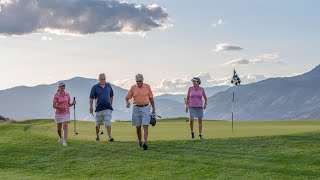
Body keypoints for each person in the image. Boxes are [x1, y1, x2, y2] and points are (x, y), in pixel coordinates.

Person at [125, 74, 156, 150]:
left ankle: (145, 143)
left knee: (145, 125)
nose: (139, 82)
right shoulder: (133, 88)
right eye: (137, 81)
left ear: (143, 80)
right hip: (136, 108)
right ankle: (139, 141)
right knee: (138, 126)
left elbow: (151, 98)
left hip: (146, 107)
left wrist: (154, 108)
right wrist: (127, 102)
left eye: (140, 81)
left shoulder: (147, 87)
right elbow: (127, 97)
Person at [90, 73, 114, 142]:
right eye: (102, 79)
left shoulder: (108, 85)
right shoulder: (95, 87)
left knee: (108, 122)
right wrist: (91, 107)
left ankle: (109, 137)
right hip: (99, 108)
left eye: (104, 79)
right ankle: (97, 137)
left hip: (108, 108)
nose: (103, 80)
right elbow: (91, 98)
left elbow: (111, 95)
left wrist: (111, 104)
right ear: (99, 79)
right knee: (98, 123)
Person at [53, 82, 76, 147]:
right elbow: (54, 105)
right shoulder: (56, 95)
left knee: (65, 126)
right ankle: (60, 137)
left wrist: (73, 103)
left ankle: (65, 141)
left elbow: (68, 104)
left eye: (63, 86)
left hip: (66, 113)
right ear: (59, 87)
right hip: (58, 113)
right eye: (61, 86)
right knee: (59, 129)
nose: (62, 87)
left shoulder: (67, 95)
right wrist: (61, 108)